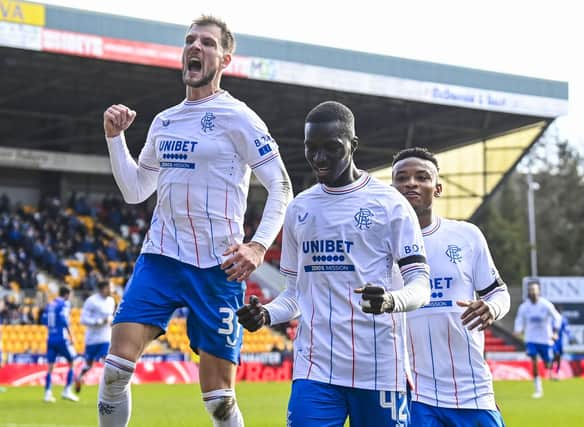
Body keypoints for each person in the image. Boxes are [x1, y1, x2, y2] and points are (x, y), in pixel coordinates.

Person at [99, 14, 292, 427]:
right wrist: (116, 140)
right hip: (162, 256)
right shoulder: (164, 121)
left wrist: (258, 246)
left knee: (219, 399)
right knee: (115, 370)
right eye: (190, 40)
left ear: (225, 58)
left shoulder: (240, 117)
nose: (195, 47)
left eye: (206, 42)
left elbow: (282, 186)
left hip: (217, 267)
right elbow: (136, 190)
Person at [237, 101, 430, 427]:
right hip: (315, 369)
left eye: (331, 148)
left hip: (378, 368)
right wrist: (267, 313)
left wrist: (389, 301)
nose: (319, 158)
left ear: (353, 145)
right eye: (311, 149)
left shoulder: (390, 205)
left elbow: (421, 285)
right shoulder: (299, 209)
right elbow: (296, 295)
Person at [391, 147, 510, 427]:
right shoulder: (380, 245)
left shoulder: (466, 235)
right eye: (402, 178)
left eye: (422, 177)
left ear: (438, 187)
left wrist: (491, 307)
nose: (411, 183)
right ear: (391, 188)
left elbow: (498, 292)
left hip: (473, 391)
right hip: (415, 394)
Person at [514, 279, 561, 398]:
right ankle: (538, 390)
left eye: (535, 290)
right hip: (531, 339)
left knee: (548, 365)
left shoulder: (546, 305)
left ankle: (552, 368)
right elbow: (519, 319)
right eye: (530, 290)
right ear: (528, 292)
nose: (533, 293)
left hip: (545, 339)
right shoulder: (524, 307)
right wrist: (518, 329)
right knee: (534, 362)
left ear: (539, 291)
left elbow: (557, 318)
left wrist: (555, 332)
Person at [74, 280, 116, 393]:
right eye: (110, 287)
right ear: (103, 288)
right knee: (88, 365)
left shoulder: (111, 301)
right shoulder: (91, 301)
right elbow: (83, 320)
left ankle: (109, 386)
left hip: (106, 338)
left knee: (106, 360)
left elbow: (110, 318)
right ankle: (78, 378)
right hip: (92, 339)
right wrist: (100, 321)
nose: (112, 290)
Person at [41, 285, 79, 403]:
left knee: (50, 367)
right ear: (67, 294)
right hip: (62, 338)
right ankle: (67, 390)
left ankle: (47, 393)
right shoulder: (64, 304)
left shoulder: (50, 304)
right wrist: (71, 335)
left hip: (50, 337)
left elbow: (43, 320)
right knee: (73, 362)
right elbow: (64, 319)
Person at [551, 305, 576, 378]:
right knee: (554, 355)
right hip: (551, 341)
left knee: (558, 357)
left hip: (559, 342)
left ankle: (556, 372)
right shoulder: (550, 320)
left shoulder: (562, 320)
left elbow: (567, 329)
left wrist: (571, 338)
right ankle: (552, 372)